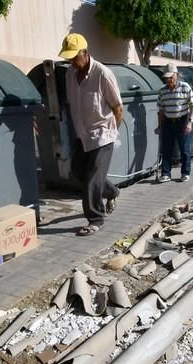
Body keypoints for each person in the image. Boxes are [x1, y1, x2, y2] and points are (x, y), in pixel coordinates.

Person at [58, 33, 123, 236]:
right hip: (82, 135)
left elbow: (118, 108)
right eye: (68, 57)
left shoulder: (103, 74)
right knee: (78, 173)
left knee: (92, 180)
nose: (71, 61)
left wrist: (111, 133)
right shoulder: (70, 74)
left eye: (74, 57)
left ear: (85, 53)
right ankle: (112, 192)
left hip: (102, 135)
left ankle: (95, 219)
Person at [155, 63, 193, 183]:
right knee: (166, 149)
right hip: (168, 121)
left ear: (177, 75)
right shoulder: (162, 91)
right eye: (166, 78)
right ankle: (166, 174)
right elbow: (161, 110)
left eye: (171, 77)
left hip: (182, 120)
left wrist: (190, 122)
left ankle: (185, 172)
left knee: (184, 149)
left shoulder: (185, 87)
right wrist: (160, 126)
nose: (169, 80)